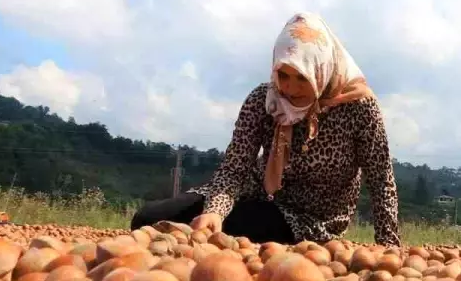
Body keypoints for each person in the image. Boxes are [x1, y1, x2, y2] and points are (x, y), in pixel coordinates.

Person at [130, 12, 401, 246]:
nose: (290, 88)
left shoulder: (359, 106)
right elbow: (234, 169)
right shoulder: (263, 100)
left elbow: (381, 181)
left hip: (309, 219)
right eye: (283, 75)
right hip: (254, 193)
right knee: (148, 220)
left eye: (302, 77)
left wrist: (388, 246)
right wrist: (214, 211)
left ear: (322, 69)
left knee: (240, 227)